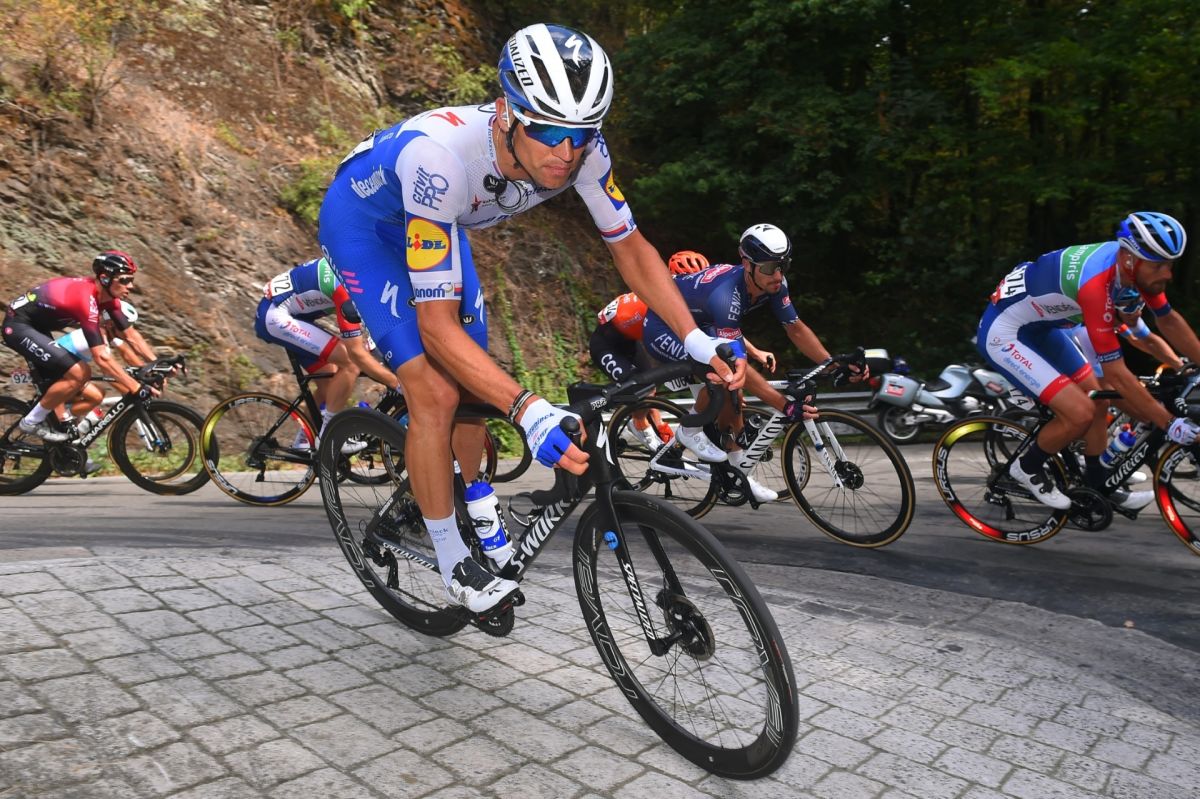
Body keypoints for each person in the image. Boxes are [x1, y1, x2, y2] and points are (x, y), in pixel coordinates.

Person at [316, 24, 743, 615]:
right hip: (365, 225)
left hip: (439, 226)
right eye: (546, 129)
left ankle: (476, 499)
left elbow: (630, 247)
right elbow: (435, 328)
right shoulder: (440, 161)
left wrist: (694, 339)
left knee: (475, 382)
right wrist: (529, 411)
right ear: (506, 113)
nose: (565, 152)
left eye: (580, 134)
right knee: (435, 390)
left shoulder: (585, 153)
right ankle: (452, 561)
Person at [976, 211, 1200, 511]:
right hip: (1005, 333)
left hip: (1042, 328)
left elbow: (1168, 320)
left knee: (1099, 399)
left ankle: (1096, 484)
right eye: (1158, 266)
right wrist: (1169, 423)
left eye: (1169, 265)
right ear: (1130, 259)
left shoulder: (1132, 272)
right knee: (1079, 412)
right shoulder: (1096, 285)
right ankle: (1026, 468)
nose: (1167, 275)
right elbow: (1116, 373)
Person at [642, 224, 857, 503]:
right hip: (662, 326)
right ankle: (689, 430)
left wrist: (832, 365)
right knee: (724, 372)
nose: (777, 275)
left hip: (701, 323)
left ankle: (739, 473)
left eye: (783, 266)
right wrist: (785, 405)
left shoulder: (774, 283)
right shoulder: (726, 295)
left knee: (734, 397)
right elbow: (735, 363)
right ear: (747, 264)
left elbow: (795, 329)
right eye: (769, 268)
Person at [2, 251, 156, 442]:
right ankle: (30, 422)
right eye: (125, 280)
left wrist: (157, 364)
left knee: (91, 390)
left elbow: (131, 335)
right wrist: (135, 387)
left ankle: (59, 429)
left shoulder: (108, 300)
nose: (130, 286)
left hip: (38, 327)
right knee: (80, 372)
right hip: (19, 325)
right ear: (105, 278)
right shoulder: (86, 299)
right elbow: (102, 358)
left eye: (131, 280)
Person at [255, 256, 402, 451]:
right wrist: (397, 384)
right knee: (351, 363)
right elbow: (356, 352)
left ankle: (303, 441)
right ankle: (331, 436)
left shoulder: (356, 271)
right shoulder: (347, 289)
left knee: (330, 381)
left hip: (289, 313)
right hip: (275, 316)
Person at [589, 250, 713, 450]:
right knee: (644, 387)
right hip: (606, 344)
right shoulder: (661, 300)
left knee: (651, 385)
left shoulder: (682, 298)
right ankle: (639, 424)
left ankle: (657, 423)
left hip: (631, 341)